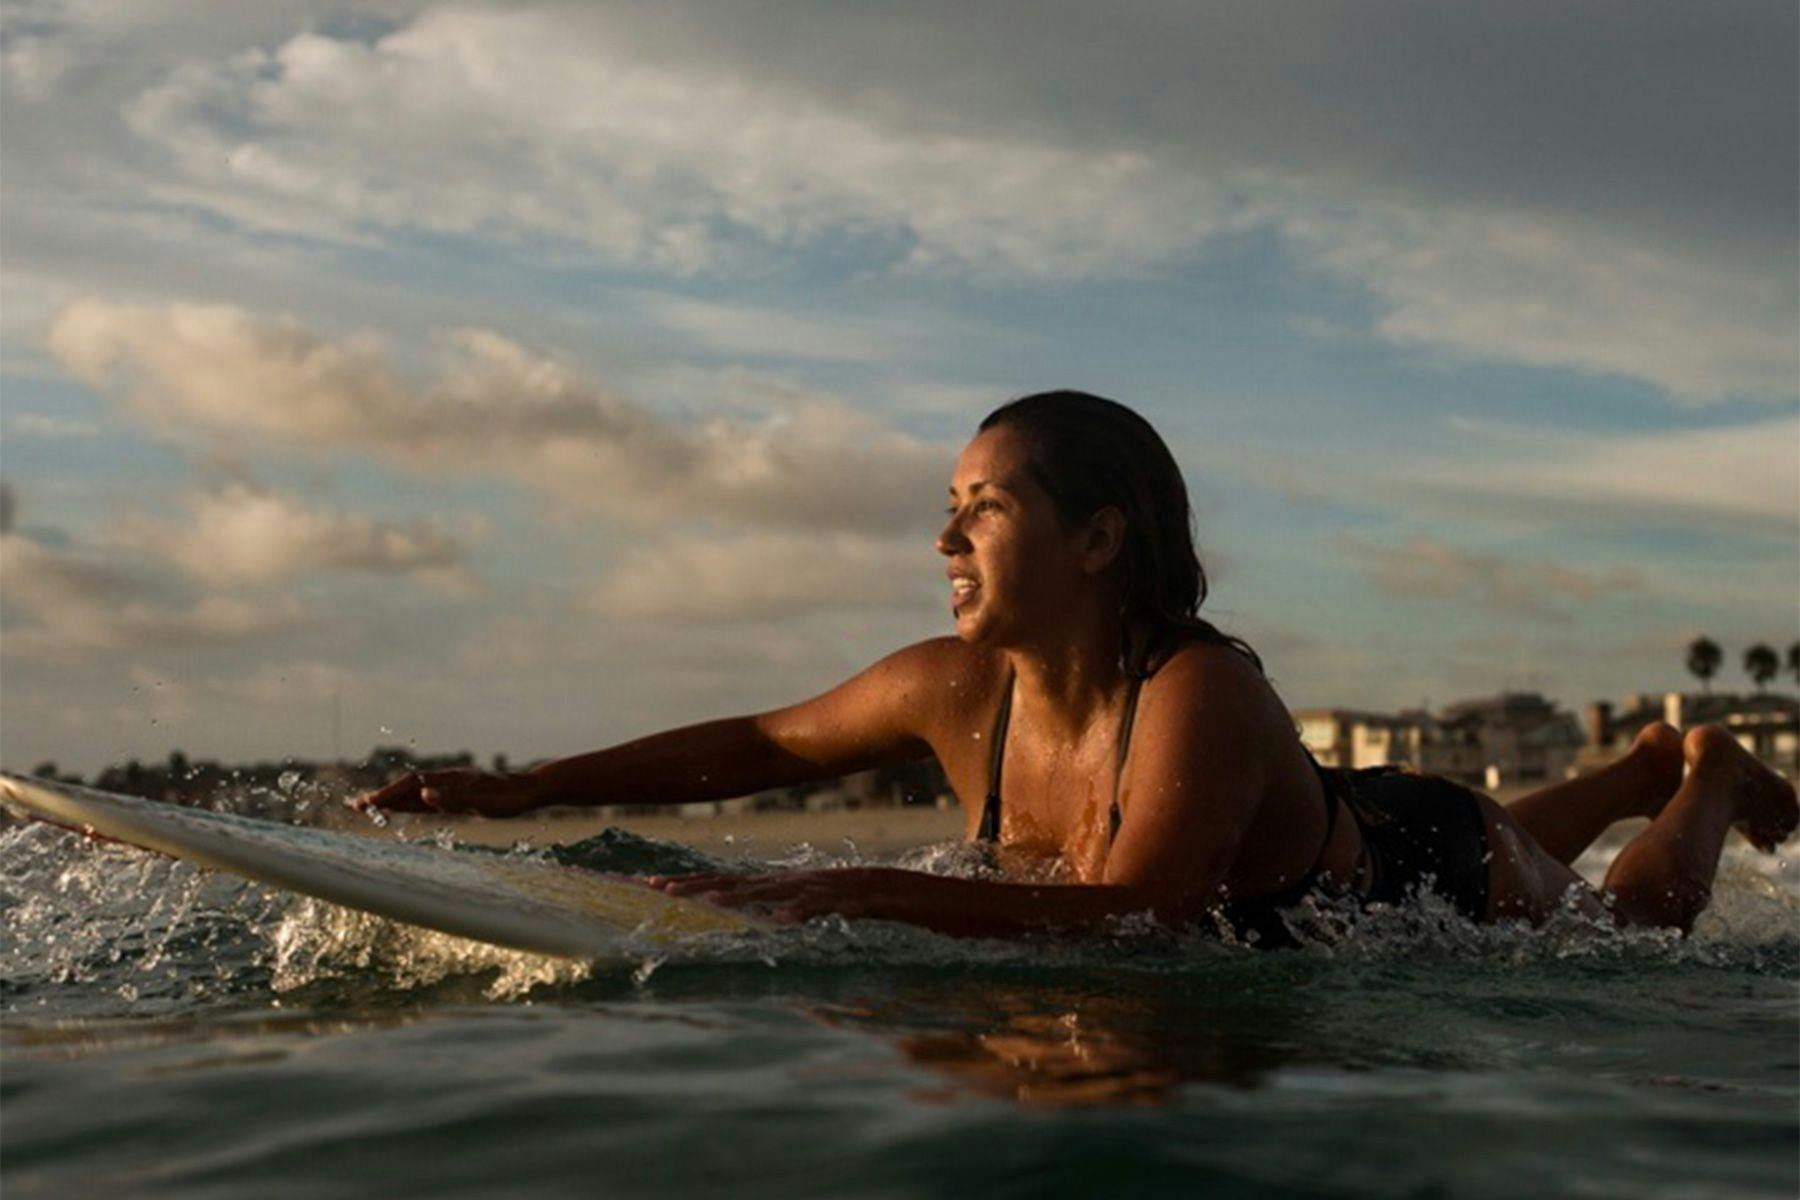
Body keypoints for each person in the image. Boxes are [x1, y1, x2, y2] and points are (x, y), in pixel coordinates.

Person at [358, 391, 1796, 944]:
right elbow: (760, 744)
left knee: (1634, 919)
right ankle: (1623, 771)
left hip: (1424, 869)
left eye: (982, 506)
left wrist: (846, 890)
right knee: (1463, 825)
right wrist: (515, 790)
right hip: (1338, 823)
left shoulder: (1203, 692)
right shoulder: (951, 690)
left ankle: (1707, 777)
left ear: (1100, 536)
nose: (943, 534)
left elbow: (1140, 919)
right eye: (951, 505)